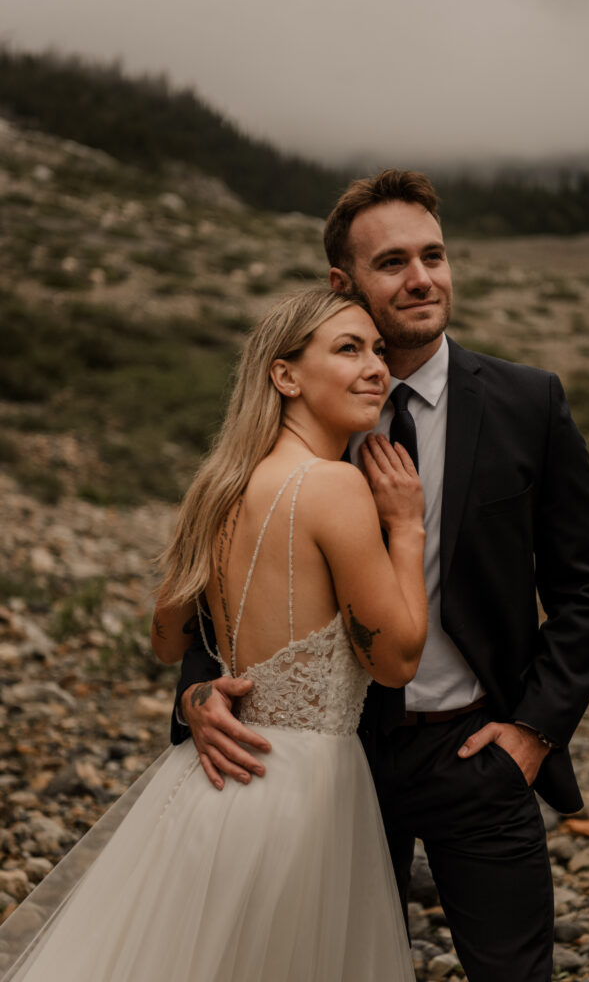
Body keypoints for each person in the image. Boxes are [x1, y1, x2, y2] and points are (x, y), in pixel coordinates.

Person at [174, 170, 589, 982]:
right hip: (329, 760)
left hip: (478, 751)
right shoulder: (307, 413)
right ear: (342, 283)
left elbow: (587, 584)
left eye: (434, 255)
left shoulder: (529, 401)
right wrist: (198, 695)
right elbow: (231, 577)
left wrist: (531, 732)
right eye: (393, 263)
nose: (422, 278)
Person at [0, 287, 428, 982]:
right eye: (349, 348)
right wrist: (407, 529)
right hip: (301, 789)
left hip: (212, 779)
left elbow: (168, 640)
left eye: (378, 350)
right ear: (284, 375)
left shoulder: (219, 487)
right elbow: (397, 660)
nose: (377, 366)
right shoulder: (335, 487)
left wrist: (202, 694)